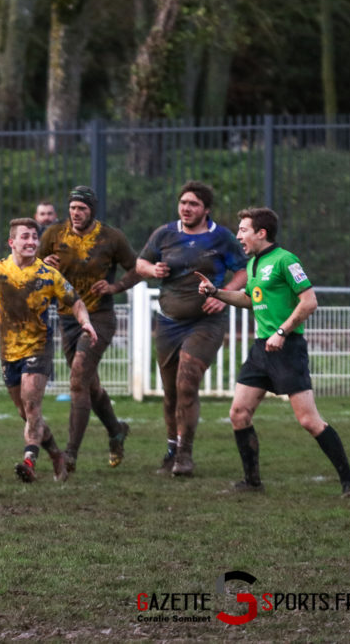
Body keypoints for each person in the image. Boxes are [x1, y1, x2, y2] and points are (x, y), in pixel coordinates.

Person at [196, 208, 350, 498]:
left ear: (261, 233)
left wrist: (282, 332)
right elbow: (250, 299)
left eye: (243, 230)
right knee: (238, 413)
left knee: (309, 421)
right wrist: (216, 292)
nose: (238, 235)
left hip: (287, 348)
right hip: (261, 349)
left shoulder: (286, 260)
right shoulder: (253, 265)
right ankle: (252, 482)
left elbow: (309, 302)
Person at [137, 181, 247, 478]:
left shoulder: (221, 237)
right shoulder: (165, 233)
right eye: (183, 202)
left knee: (187, 381)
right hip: (169, 322)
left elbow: (243, 271)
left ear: (206, 210)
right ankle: (172, 449)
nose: (186, 208)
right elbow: (140, 263)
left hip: (205, 323)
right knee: (171, 393)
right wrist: (152, 270)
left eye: (193, 204)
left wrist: (223, 295)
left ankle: (185, 455)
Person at [37, 186, 142, 475]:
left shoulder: (112, 237)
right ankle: (116, 430)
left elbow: (137, 268)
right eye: (72, 208)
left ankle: (69, 455)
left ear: (92, 210)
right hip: (67, 318)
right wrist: (42, 264)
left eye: (81, 208)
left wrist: (116, 286)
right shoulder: (53, 235)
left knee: (78, 378)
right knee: (89, 385)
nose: (76, 213)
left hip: (100, 317)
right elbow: (30, 267)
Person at [0, 218, 98, 483]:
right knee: (24, 412)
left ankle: (29, 460)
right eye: (25, 237)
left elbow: (76, 301)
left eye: (35, 237)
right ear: (11, 242)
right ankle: (57, 454)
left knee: (32, 405)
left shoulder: (48, 274)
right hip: (8, 351)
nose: (32, 242)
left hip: (39, 347)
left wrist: (86, 322)